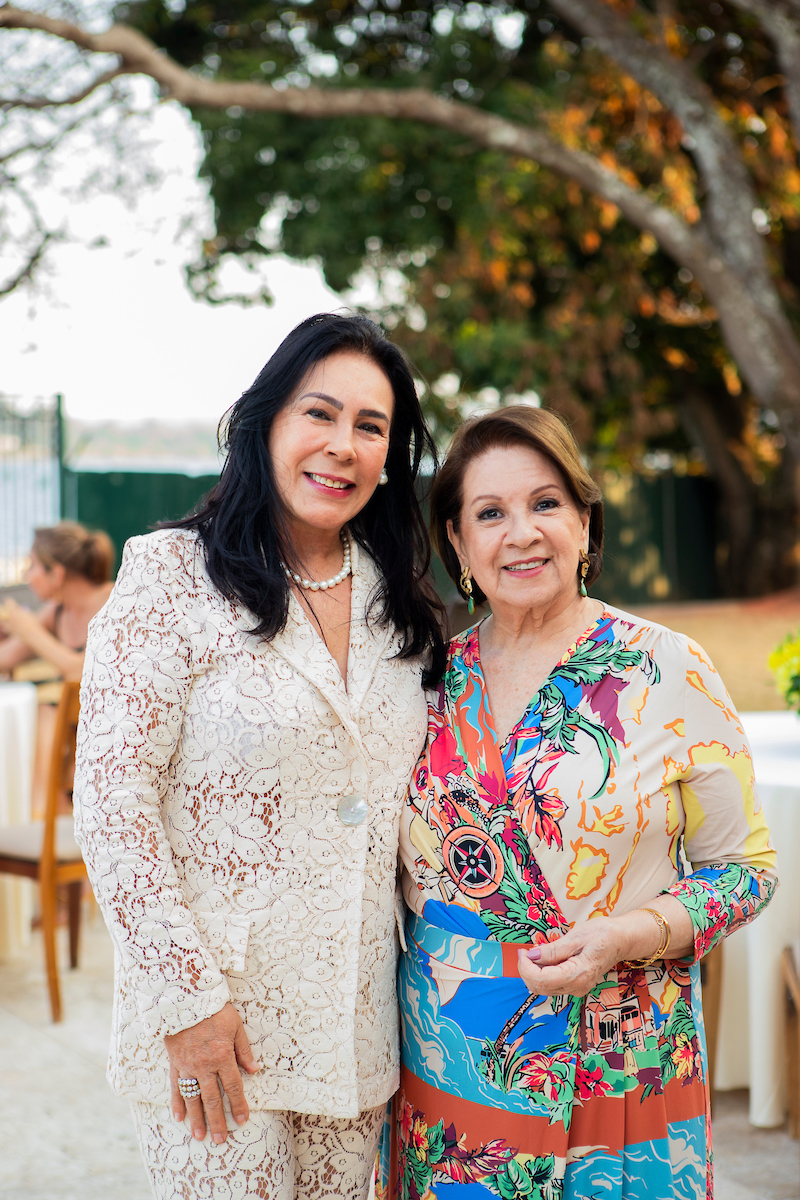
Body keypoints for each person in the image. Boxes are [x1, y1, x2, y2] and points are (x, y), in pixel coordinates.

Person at [73, 313, 446, 1200]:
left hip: (359, 1024)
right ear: (267, 421)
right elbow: (113, 802)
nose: (342, 446)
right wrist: (188, 1004)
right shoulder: (169, 575)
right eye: (320, 414)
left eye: (371, 426)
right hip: (215, 1021)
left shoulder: (398, 600)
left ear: (391, 455)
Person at [381, 406, 776, 1200]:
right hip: (452, 1070)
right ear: (457, 543)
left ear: (585, 524)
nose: (520, 532)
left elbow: (747, 870)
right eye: (489, 513)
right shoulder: (422, 681)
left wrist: (629, 933)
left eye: (546, 503)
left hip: (620, 1063)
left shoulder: (669, 669)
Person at [0, 522, 114, 682]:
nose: (27, 575)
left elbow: (85, 673)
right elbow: (6, 657)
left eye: (32, 565)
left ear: (56, 573)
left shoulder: (115, 604)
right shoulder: (57, 610)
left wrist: (30, 632)